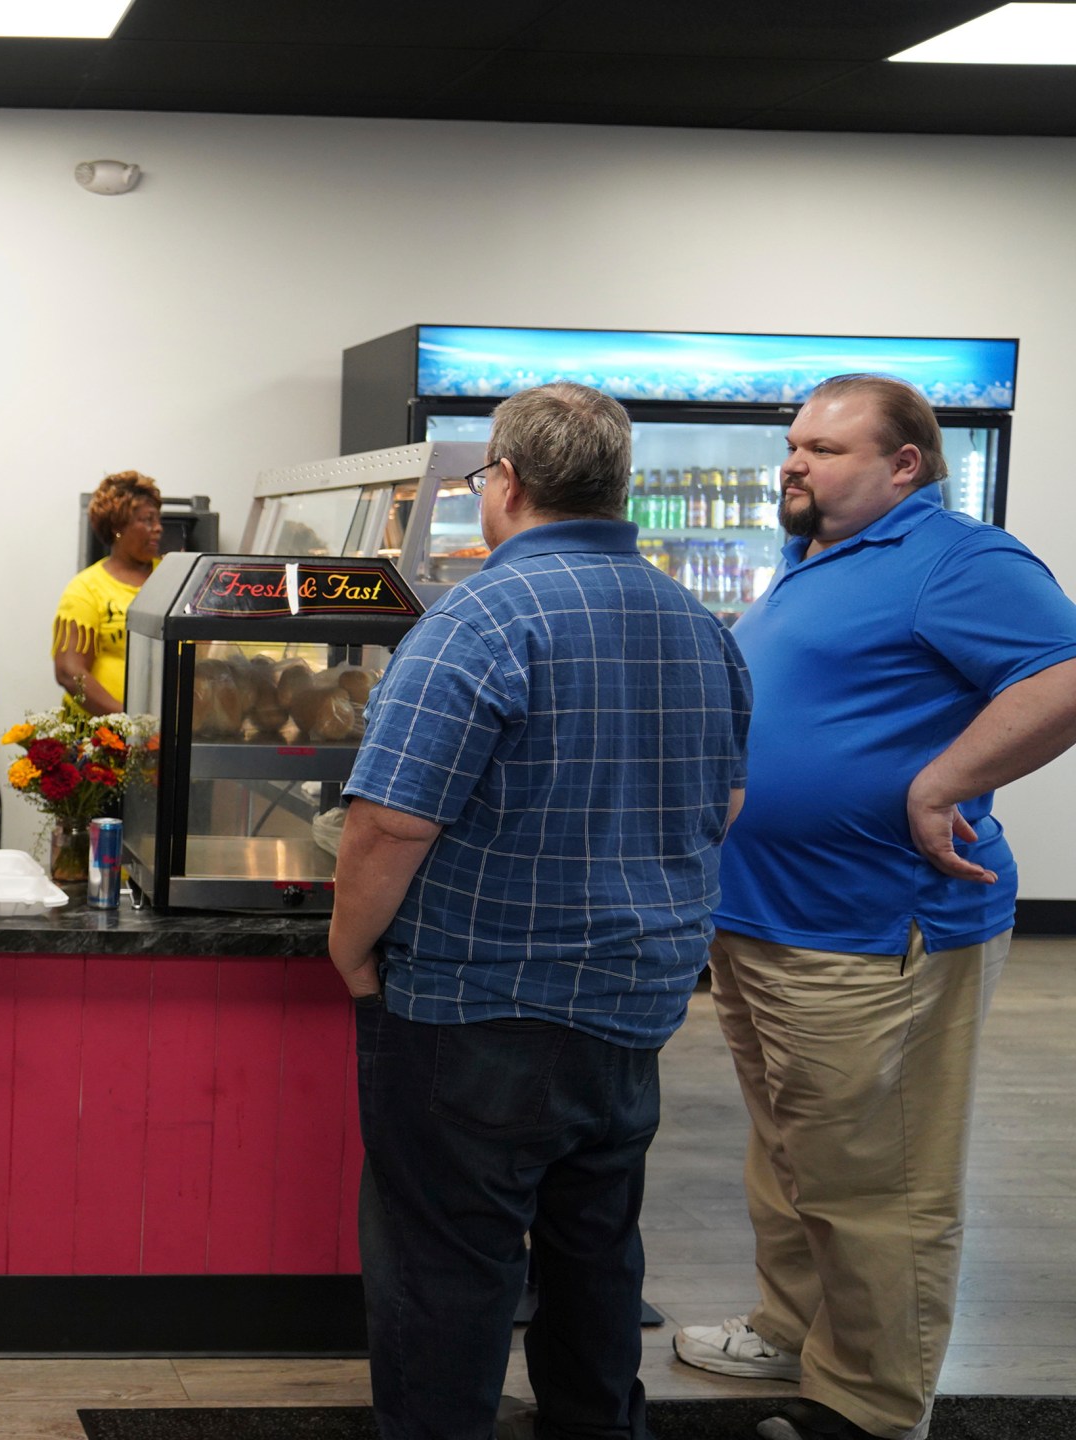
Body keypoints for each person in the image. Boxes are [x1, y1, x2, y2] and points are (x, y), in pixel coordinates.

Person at [330, 381, 750, 1440]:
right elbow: (725, 803)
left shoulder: (475, 618)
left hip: (477, 1003)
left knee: (447, 1274)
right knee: (595, 1256)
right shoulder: (697, 623)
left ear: (505, 485)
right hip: (635, 1004)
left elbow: (390, 825)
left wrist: (350, 953)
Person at [673, 375, 1076, 1440]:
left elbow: (1063, 676)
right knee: (792, 1150)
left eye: (827, 449)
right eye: (794, 444)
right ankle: (791, 1327)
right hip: (767, 919)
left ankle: (866, 1403)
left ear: (905, 467)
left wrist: (939, 783)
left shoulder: (958, 558)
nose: (795, 463)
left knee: (879, 1180)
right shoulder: (810, 561)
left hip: (875, 929)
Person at [53, 470, 163, 714]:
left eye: (158, 520)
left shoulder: (172, 578)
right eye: (147, 520)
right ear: (118, 527)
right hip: (100, 738)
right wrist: (126, 720)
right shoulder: (85, 589)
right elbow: (69, 673)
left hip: (162, 734)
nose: (158, 528)